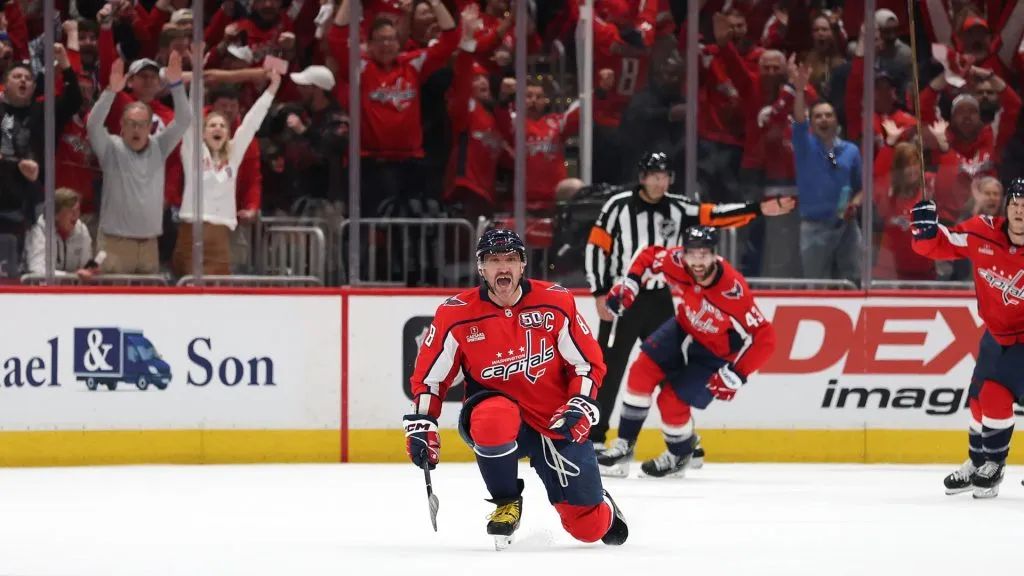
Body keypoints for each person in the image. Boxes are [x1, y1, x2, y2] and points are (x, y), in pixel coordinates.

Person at [403, 228, 628, 550]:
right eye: (494, 260)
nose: (503, 267)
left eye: (510, 259)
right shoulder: (456, 314)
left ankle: (599, 505)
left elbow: (587, 364)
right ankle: (506, 502)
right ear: (481, 268)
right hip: (497, 410)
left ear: (523, 265)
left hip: (557, 418)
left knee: (590, 529)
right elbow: (431, 379)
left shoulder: (556, 302)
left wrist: (580, 403)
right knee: (493, 418)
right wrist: (422, 424)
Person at [584, 151, 793, 464]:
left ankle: (682, 438)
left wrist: (756, 209)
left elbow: (716, 215)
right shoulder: (617, 206)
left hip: (661, 299)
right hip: (624, 299)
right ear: (642, 177)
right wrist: (601, 290)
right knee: (609, 368)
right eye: (653, 174)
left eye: (664, 175)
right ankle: (598, 437)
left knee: (669, 371)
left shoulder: (681, 207)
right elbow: (597, 247)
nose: (659, 180)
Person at [596, 226, 777, 477]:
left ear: (715, 255)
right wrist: (632, 284)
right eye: (692, 254)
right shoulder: (676, 261)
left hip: (716, 351)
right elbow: (648, 255)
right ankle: (624, 447)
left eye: (704, 254)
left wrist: (737, 373)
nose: (698, 261)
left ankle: (680, 453)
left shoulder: (732, 290)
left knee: (671, 401)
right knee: (641, 371)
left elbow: (765, 337)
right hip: (683, 328)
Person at [911, 178, 1024, 498]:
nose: (1020, 210)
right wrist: (925, 230)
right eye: (1015, 203)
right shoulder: (982, 230)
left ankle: (994, 463)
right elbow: (938, 245)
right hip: (994, 337)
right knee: (978, 401)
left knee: (994, 396)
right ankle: (979, 465)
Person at [173, 66, 281, 276]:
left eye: (222, 126)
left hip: (220, 236)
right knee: (188, 293)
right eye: (212, 125)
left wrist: (273, 87)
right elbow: (191, 116)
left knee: (218, 294)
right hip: (191, 232)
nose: (218, 129)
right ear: (202, 133)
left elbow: (251, 123)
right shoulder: (193, 152)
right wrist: (195, 80)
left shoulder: (233, 155)